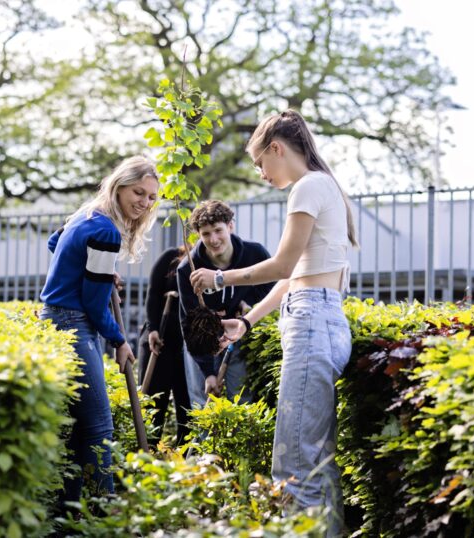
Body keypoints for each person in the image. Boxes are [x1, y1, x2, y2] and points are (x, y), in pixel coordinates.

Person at [189, 110, 359, 536]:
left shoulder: (307, 187)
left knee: (294, 463)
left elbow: (282, 264)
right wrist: (246, 322)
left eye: (260, 162)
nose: (261, 173)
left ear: (277, 149)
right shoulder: (326, 187)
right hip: (322, 317)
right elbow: (296, 276)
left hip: (312, 323)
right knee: (315, 458)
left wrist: (221, 277)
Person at [38, 156, 158, 506]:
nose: (144, 203)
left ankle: (70, 511)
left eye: (151, 197)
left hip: (57, 318)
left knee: (82, 428)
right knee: (99, 427)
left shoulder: (86, 214)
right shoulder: (105, 229)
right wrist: (119, 340)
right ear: (119, 186)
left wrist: (99, 273)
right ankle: (103, 510)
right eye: (138, 192)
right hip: (75, 323)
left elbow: (54, 242)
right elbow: (94, 304)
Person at [176, 200, 274, 409]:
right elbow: (190, 325)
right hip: (202, 343)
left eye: (218, 230)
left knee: (242, 399)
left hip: (240, 335)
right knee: (204, 404)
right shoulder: (188, 269)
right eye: (206, 234)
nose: (213, 239)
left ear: (230, 226)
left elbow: (273, 290)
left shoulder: (255, 254)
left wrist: (249, 305)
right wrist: (208, 372)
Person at [138, 246, 191, 446]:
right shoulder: (170, 257)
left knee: (187, 410)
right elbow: (152, 293)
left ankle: (185, 464)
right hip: (158, 341)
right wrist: (152, 328)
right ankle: (145, 457)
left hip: (189, 348)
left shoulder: (210, 264)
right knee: (152, 406)